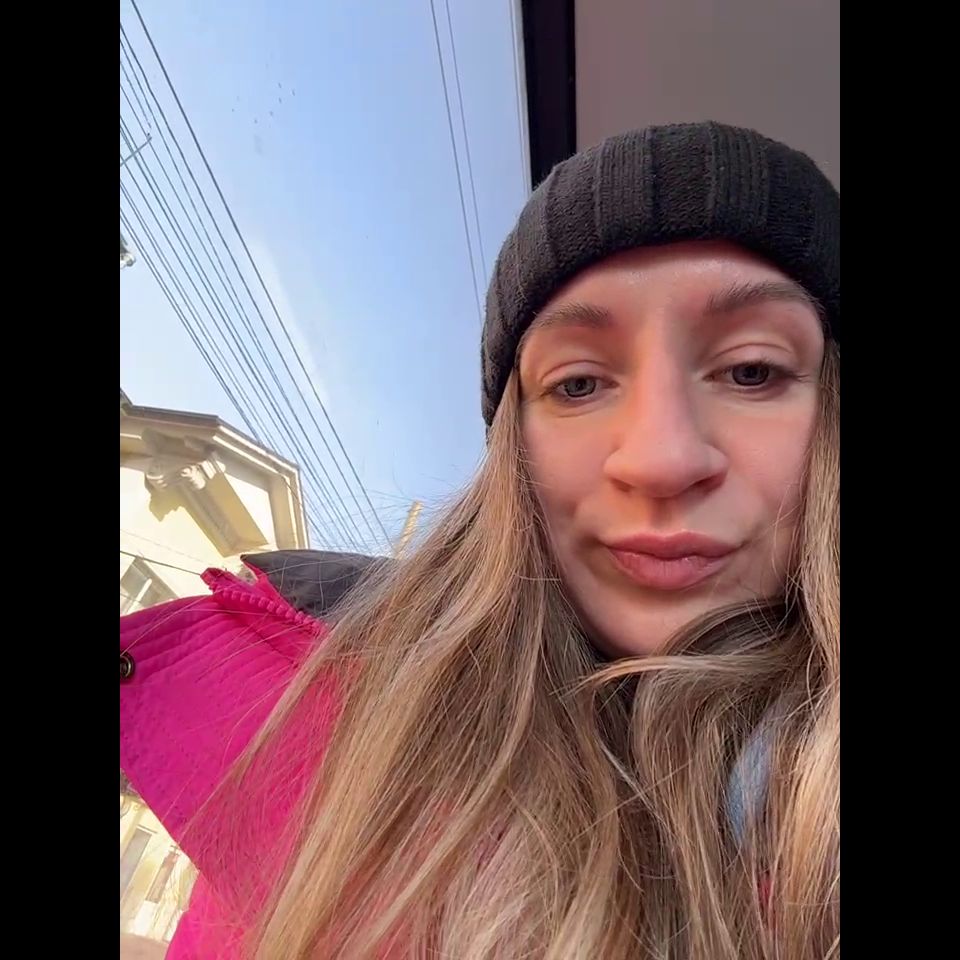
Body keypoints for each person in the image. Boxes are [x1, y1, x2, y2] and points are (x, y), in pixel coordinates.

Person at [120, 121, 839, 960]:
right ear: (513, 453)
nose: (661, 458)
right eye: (579, 382)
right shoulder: (308, 769)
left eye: (752, 370)